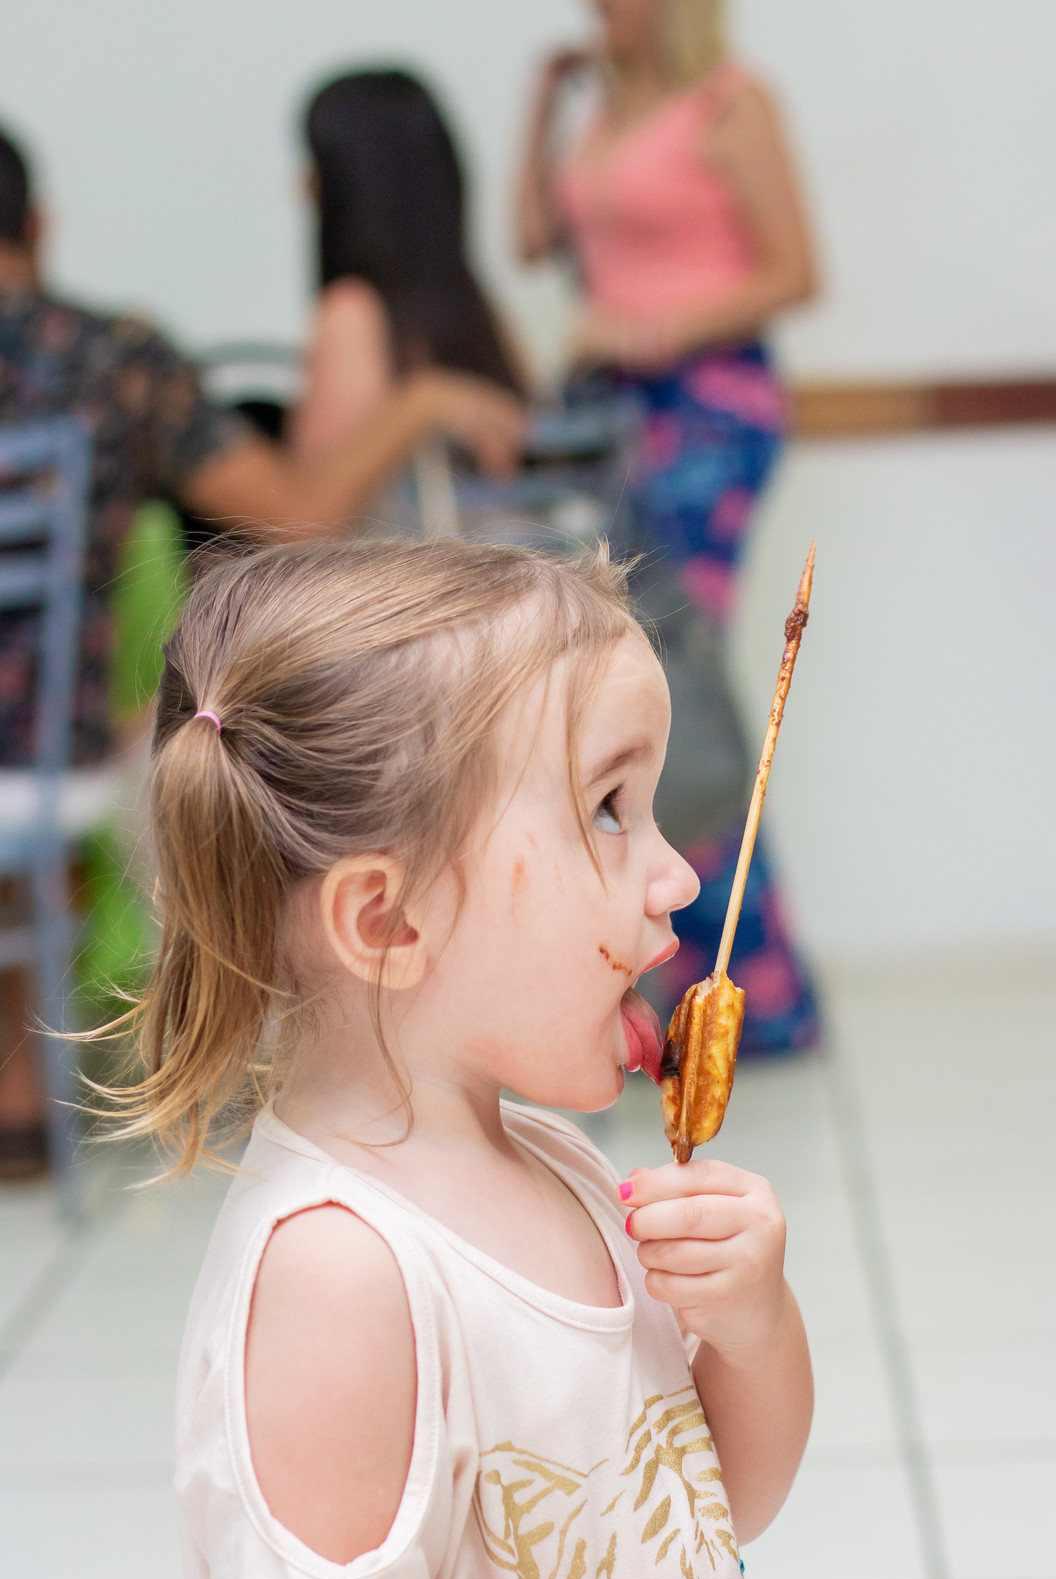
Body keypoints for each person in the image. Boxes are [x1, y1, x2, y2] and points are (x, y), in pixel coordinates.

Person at [99, 535, 888, 1579]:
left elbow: (711, 1506)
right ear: (390, 921)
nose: (679, 874)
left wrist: (753, 1329)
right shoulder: (339, 1271)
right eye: (606, 810)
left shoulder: (564, 1170)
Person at [0, 123, 524, 1176]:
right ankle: (22, 1092)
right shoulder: (115, 359)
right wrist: (418, 402)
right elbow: (297, 523)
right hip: (37, 770)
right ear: (40, 224)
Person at [516, 0, 821, 1056]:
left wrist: (646, 330)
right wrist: (547, 104)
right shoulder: (603, 116)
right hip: (617, 413)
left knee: (672, 692)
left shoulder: (732, 105)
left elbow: (797, 272)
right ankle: (737, 989)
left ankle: (741, 994)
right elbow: (528, 240)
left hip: (709, 407)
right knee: (646, 694)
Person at [289, 68, 526, 463]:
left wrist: (420, 405)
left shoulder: (352, 314)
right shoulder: (477, 313)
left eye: (318, 165)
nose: (301, 187)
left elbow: (313, 511)